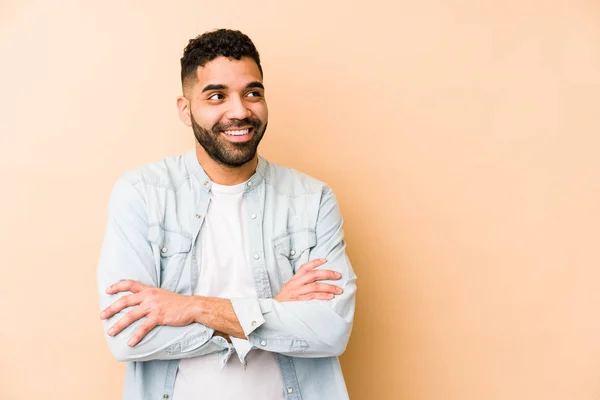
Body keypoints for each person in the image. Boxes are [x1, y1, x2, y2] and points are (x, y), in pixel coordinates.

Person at [97, 28, 356, 400]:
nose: (239, 111)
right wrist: (274, 312)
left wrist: (192, 308)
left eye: (252, 93)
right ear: (186, 110)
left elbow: (330, 330)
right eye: (217, 96)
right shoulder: (141, 193)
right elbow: (127, 338)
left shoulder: (312, 199)